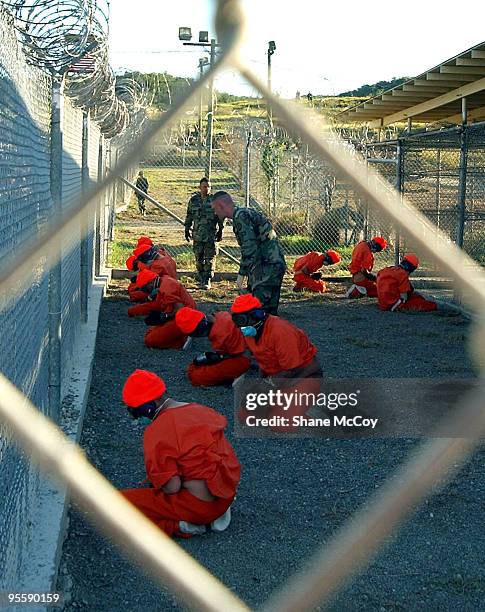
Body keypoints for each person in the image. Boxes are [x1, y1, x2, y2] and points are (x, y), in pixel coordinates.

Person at [121, 369, 240, 537]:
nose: (135, 418)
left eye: (134, 411)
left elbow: (172, 487)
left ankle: (183, 526)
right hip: (225, 496)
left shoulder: (157, 431)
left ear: (148, 406)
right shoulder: (201, 410)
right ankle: (213, 515)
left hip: (199, 507)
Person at [230, 294, 322, 428]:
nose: (240, 326)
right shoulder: (253, 331)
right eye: (236, 321)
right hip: (278, 378)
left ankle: (312, 414)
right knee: (245, 415)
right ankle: (286, 406)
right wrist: (260, 386)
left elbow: (293, 370)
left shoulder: (280, 331)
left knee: (280, 424)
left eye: (242, 320)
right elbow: (263, 360)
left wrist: (266, 387)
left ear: (257, 315)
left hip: (303, 376)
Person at [211, 191, 286, 315]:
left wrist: (241, 276)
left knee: (258, 312)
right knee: (269, 314)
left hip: (266, 267)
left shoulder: (240, 217)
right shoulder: (244, 213)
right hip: (273, 264)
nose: (215, 212)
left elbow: (249, 248)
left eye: (215, 209)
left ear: (221, 206)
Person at [175, 307, 251, 387]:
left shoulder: (221, 334)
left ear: (198, 331)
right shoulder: (220, 316)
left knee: (197, 377)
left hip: (243, 358)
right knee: (198, 365)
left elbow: (241, 354)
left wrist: (220, 359)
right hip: (240, 352)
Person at [128, 269, 196, 348]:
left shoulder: (167, 287)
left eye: (145, 289)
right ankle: (182, 335)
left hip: (185, 319)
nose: (146, 292)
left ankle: (182, 340)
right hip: (183, 315)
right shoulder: (164, 281)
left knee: (150, 340)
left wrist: (164, 317)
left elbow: (180, 310)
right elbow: (161, 304)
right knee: (149, 333)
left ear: (151, 282)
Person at [184, 177, 224, 290]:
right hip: (197, 234)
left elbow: (221, 217)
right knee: (198, 258)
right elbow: (189, 215)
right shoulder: (194, 200)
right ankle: (201, 277)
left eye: (208, 187)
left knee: (210, 258)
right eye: (204, 187)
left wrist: (221, 230)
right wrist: (187, 229)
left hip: (211, 235)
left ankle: (207, 279)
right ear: (199, 187)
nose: (206, 189)